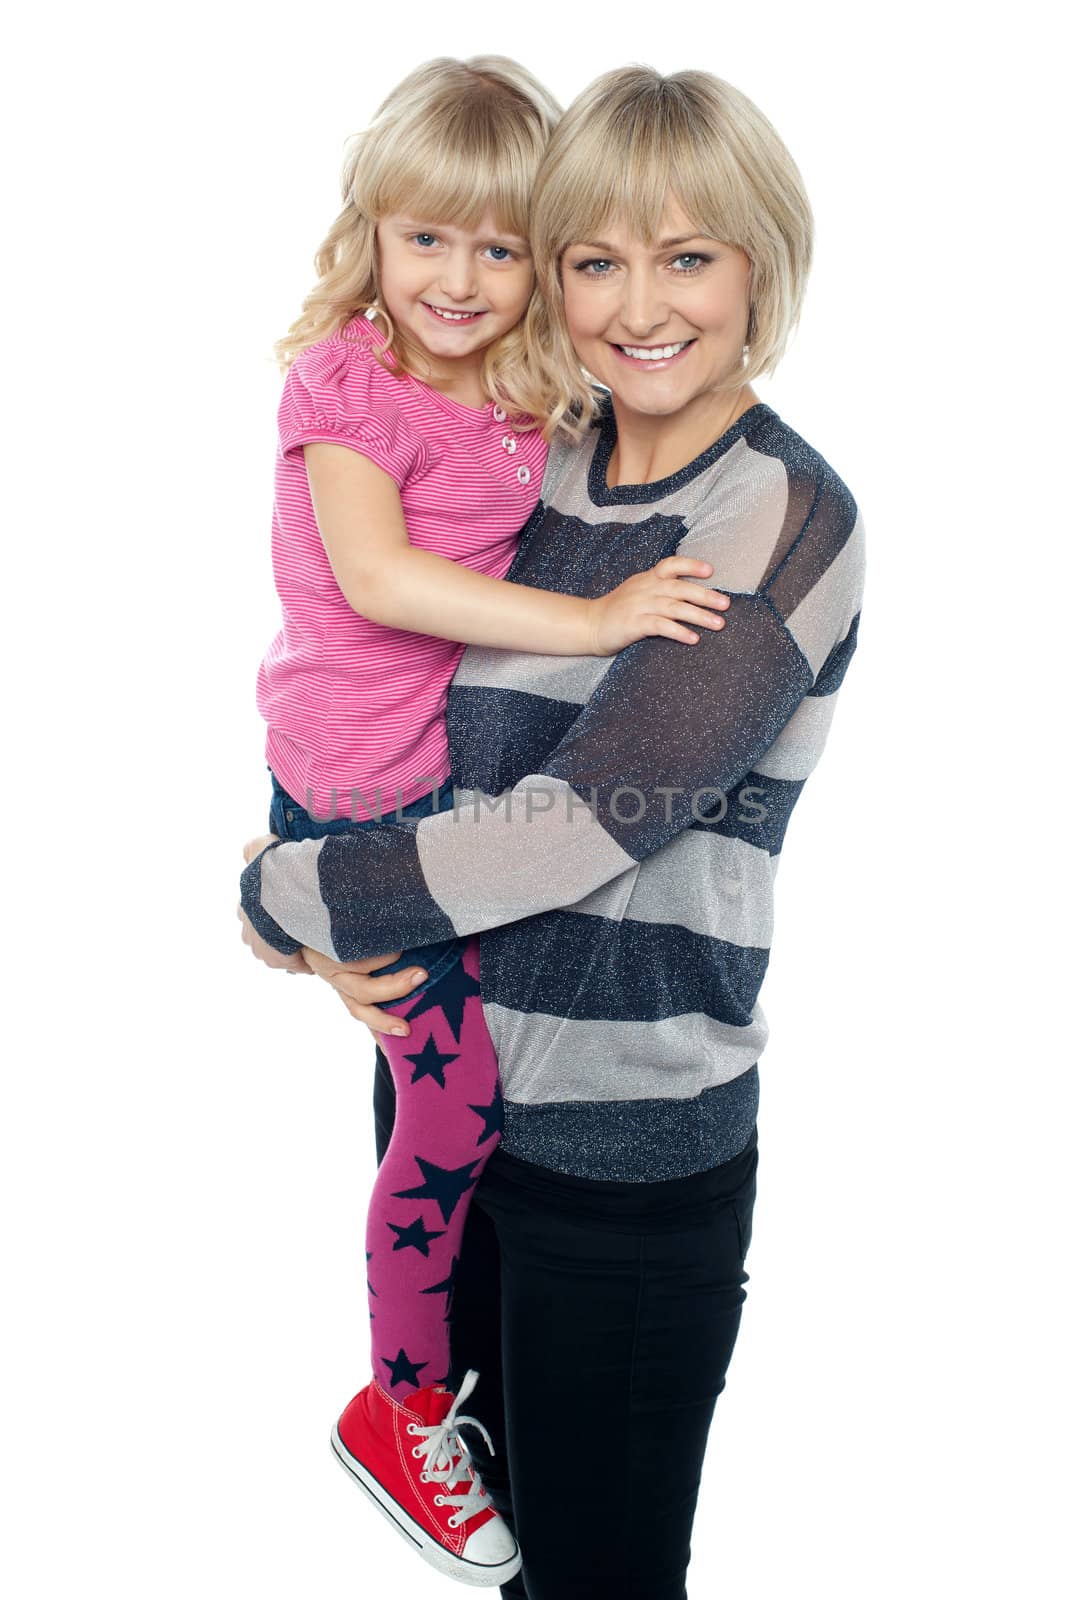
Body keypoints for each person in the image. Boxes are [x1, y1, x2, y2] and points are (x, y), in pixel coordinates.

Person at [241, 64, 866, 1600]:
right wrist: (334, 933)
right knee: (497, 1565)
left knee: (596, 1583)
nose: (638, 305)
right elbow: (378, 685)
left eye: (687, 256)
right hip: (449, 1097)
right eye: (596, 259)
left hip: (618, 1158)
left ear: (760, 270)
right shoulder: (538, 451)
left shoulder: (777, 517)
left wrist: (283, 897)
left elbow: (592, 821)